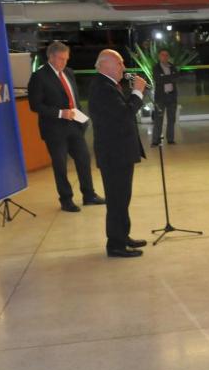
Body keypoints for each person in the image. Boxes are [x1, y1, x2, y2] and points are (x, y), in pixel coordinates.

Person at [27, 40, 105, 212]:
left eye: (66, 59)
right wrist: (61, 113)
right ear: (51, 57)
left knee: (84, 160)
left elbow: (74, 99)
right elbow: (35, 105)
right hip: (54, 129)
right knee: (60, 166)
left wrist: (82, 119)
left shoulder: (68, 72)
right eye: (62, 59)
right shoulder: (39, 77)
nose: (65, 62)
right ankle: (66, 199)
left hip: (74, 126)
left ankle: (89, 195)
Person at [87, 49, 148, 258]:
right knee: (116, 201)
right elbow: (124, 114)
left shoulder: (109, 84)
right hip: (114, 154)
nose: (123, 67)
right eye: (119, 64)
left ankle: (123, 236)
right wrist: (138, 92)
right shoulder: (103, 88)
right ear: (105, 66)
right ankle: (115, 245)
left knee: (123, 198)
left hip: (119, 152)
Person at [151, 49, 179, 147]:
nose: (165, 57)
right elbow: (158, 80)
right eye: (163, 55)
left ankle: (170, 140)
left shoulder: (172, 66)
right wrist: (170, 78)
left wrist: (166, 77)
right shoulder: (156, 67)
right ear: (159, 56)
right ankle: (155, 141)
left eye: (166, 55)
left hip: (172, 96)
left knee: (172, 119)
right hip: (160, 98)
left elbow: (176, 77)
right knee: (158, 120)